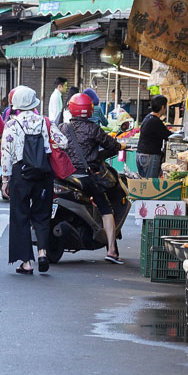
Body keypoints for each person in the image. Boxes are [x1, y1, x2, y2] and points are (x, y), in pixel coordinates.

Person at [1, 86, 67, 275]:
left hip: (20, 174)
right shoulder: (44, 121)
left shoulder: (12, 124)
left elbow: (6, 154)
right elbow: (63, 142)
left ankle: (26, 263)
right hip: (43, 174)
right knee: (42, 215)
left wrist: (5, 180)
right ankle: (43, 253)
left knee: (20, 217)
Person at [60, 93, 127, 264]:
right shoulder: (93, 129)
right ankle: (111, 250)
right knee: (106, 208)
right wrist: (102, 154)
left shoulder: (63, 128)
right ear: (90, 110)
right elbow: (112, 146)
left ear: (71, 109)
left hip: (66, 176)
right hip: (86, 176)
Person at [136, 95, 172, 178]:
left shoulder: (148, 117)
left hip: (140, 154)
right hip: (150, 156)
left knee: (144, 183)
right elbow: (168, 136)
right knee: (150, 184)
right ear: (163, 107)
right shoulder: (155, 121)